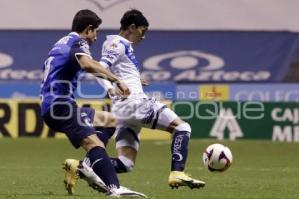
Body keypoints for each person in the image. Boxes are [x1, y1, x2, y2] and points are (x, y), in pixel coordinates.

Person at [67, 8, 205, 193]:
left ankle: (82, 166)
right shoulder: (118, 43)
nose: (144, 36)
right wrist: (110, 88)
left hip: (124, 111)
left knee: (126, 163)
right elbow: (100, 67)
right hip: (135, 104)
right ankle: (177, 172)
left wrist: (133, 80)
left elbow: (111, 69)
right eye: (143, 30)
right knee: (182, 127)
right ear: (132, 27)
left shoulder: (120, 46)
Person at [40, 9, 146, 198]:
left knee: (110, 121)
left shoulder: (60, 43)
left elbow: (86, 66)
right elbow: (88, 64)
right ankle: (114, 188)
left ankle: (88, 165)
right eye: (95, 31)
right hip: (60, 106)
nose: (96, 37)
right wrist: (116, 80)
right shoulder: (78, 41)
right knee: (94, 144)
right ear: (88, 29)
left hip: (56, 105)